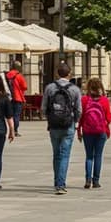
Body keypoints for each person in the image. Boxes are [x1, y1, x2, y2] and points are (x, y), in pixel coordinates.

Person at [42, 62, 82, 194]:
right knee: (65, 154)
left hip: (54, 125)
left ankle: (56, 181)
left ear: (57, 74)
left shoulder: (49, 88)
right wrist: (75, 121)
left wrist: (50, 118)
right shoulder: (75, 89)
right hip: (68, 124)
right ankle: (61, 184)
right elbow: (79, 110)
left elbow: (43, 108)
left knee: (56, 154)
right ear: (69, 74)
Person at [78, 77, 111, 190]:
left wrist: (79, 131)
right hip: (101, 131)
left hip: (87, 131)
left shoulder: (84, 100)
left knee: (89, 156)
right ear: (100, 87)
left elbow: (81, 117)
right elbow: (109, 118)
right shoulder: (104, 100)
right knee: (98, 156)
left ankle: (88, 180)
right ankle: (96, 181)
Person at [5, 61, 28, 137]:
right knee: (16, 115)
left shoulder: (6, 75)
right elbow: (24, 87)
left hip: (8, 98)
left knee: (9, 115)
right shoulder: (19, 76)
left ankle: (10, 130)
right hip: (17, 98)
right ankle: (15, 130)